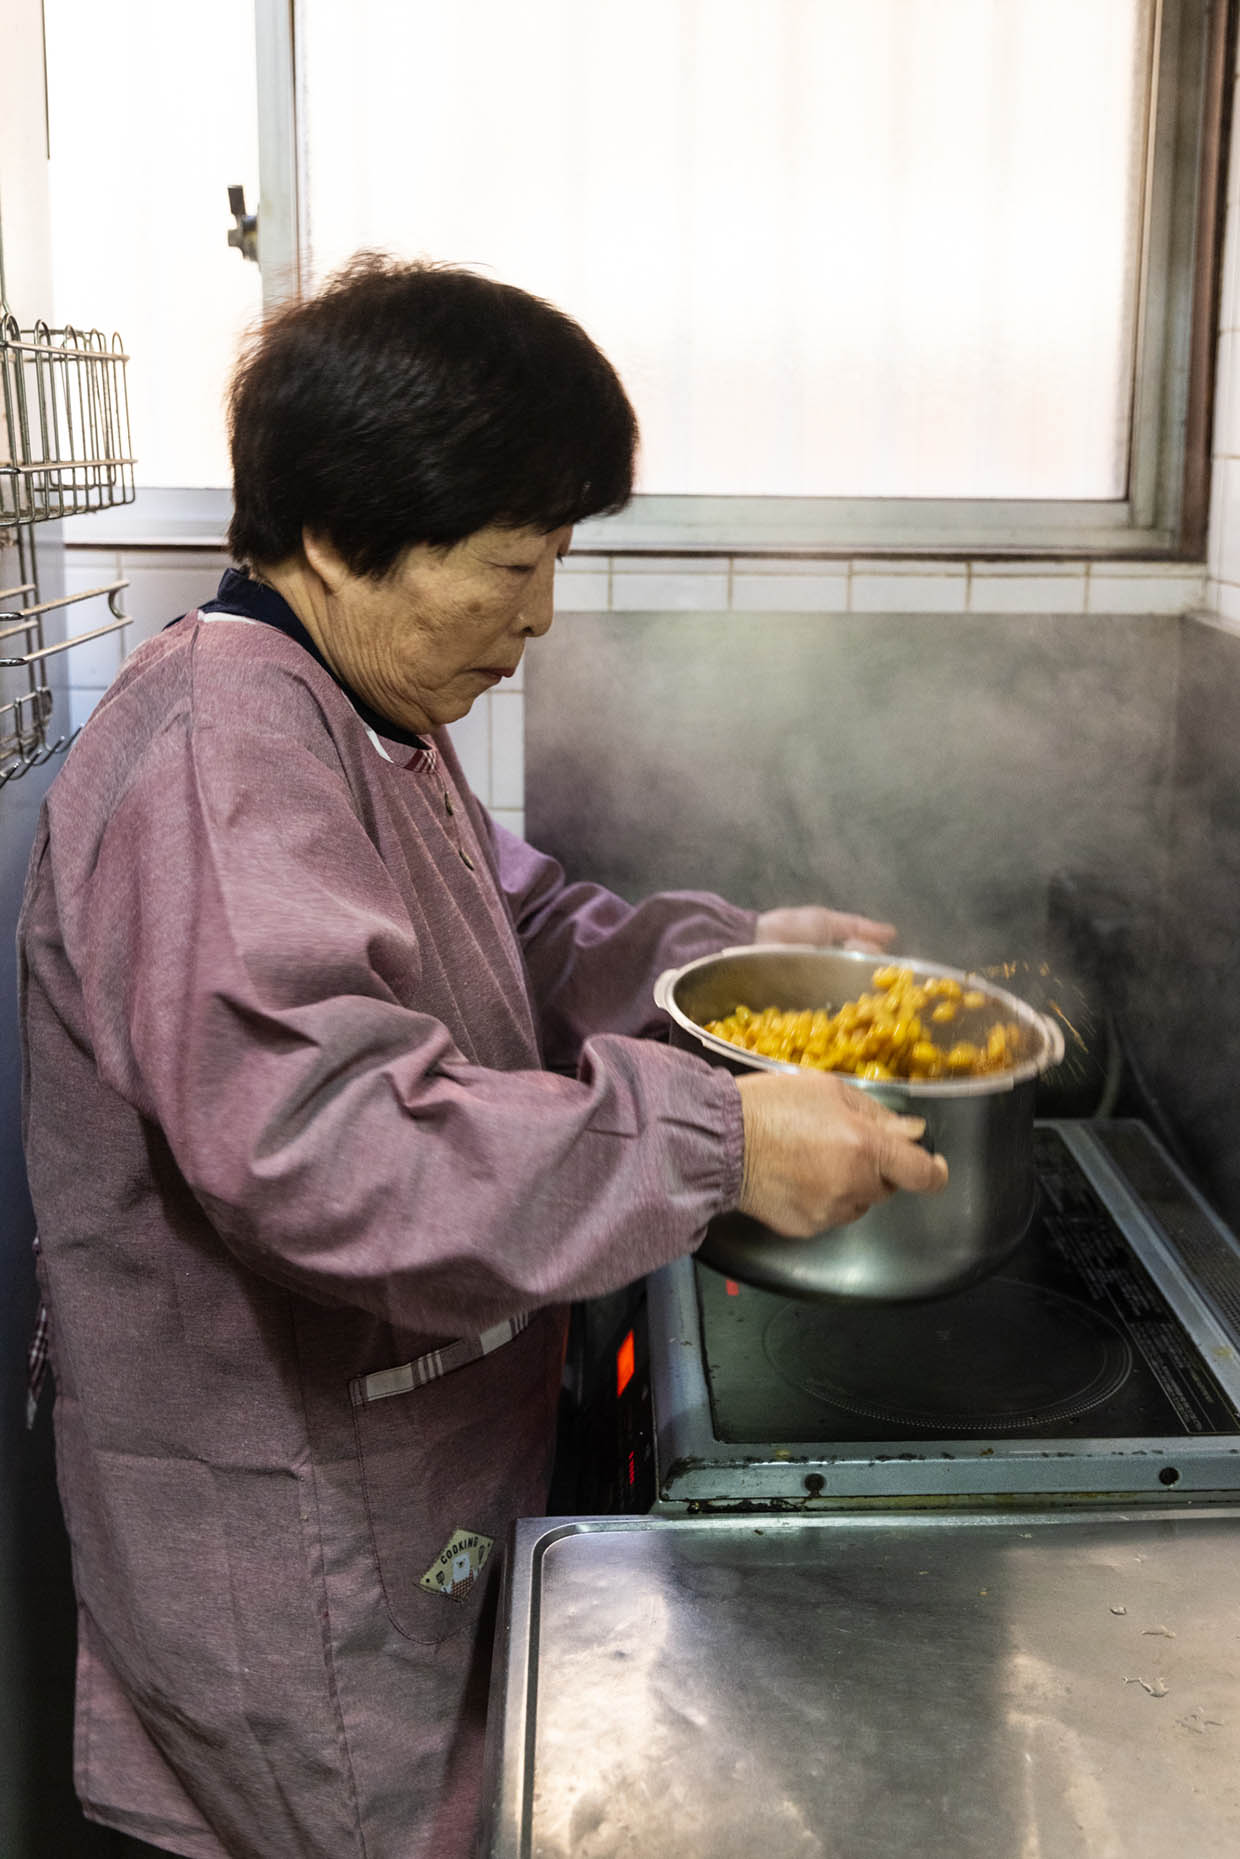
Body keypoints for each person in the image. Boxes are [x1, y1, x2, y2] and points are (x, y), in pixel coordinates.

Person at [18, 256, 946, 1859]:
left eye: (559, 558)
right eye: (514, 565)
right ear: (330, 535)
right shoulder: (217, 755)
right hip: (292, 1538)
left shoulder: (356, 704)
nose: (541, 616)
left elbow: (509, 933)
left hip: (405, 1488)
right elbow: (328, 1142)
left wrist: (728, 967)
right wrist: (716, 1142)